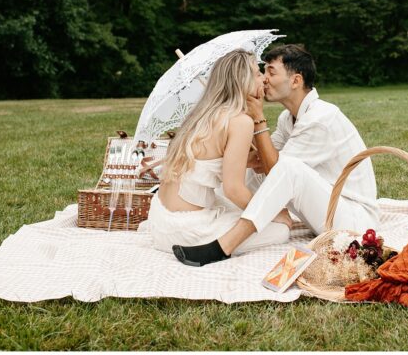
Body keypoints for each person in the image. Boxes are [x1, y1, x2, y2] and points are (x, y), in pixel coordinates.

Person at [173, 44, 379, 267]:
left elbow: (278, 170)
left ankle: (224, 246)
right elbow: (263, 160)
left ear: (295, 81)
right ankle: (222, 219)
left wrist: (258, 117)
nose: (264, 79)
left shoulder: (321, 118)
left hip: (354, 222)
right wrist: (241, 116)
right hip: (323, 212)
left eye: (271, 72)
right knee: (253, 171)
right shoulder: (286, 118)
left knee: (289, 169)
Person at [145, 48, 292, 256]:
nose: (263, 79)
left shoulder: (203, 113)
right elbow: (233, 189)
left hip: (161, 220)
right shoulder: (240, 122)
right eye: (258, 73)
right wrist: (271, 213)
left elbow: (208, 160)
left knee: (236, 209)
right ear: (243, 81)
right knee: (281, 230)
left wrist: (247, 161)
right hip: (187, 232)